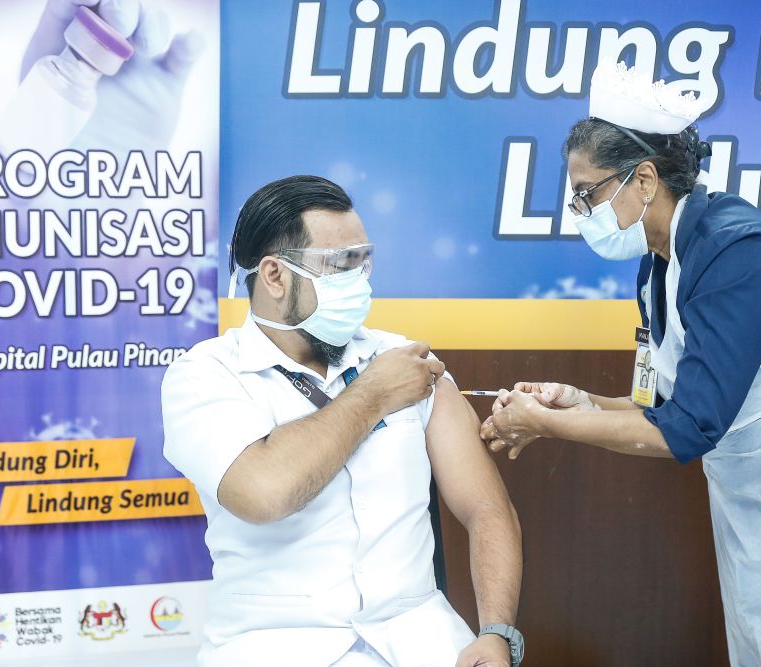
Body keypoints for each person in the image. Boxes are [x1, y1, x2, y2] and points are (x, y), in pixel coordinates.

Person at [480, 61, 761, 666]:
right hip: (757, 488)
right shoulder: (662, 261)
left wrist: (546, 424)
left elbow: (687, 429)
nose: (579, 210)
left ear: (643, 179)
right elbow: (665, 404)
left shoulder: (740, 255)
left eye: (587, 193)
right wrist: (580, 402)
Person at [162, 176, 524, 667]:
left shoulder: (405, 360)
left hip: (422, 638)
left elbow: (485, 506)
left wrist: (497, 632)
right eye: (340, 265)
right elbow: (263, 493)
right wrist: (373, 394)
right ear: (274, 276)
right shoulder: (205, 376)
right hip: (274, 645)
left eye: (363, 260)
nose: (360, 281)